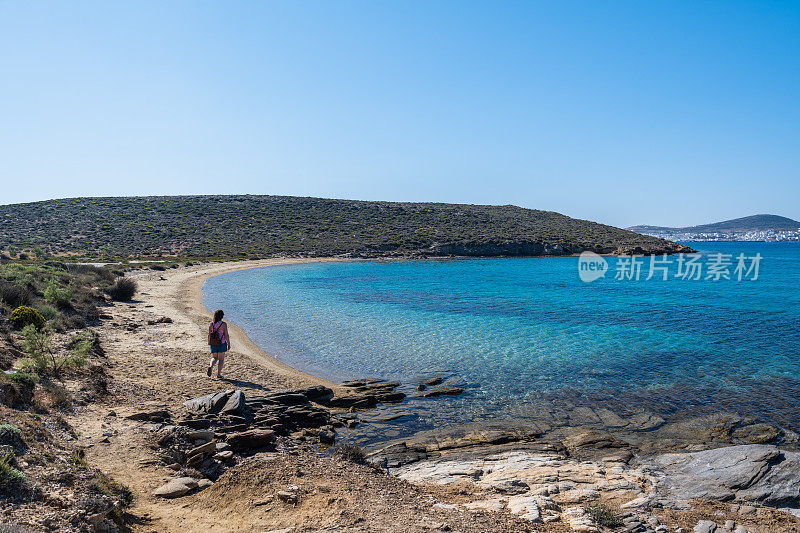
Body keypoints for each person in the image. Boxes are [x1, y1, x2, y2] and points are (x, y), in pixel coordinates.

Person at [207, 309, 230, 378]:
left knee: (214, 357)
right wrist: (229, 343)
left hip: (213, 343)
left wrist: (209, 342)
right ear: (222, 316)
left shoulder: (211, 324)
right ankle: (218, 374)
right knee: (221, 359)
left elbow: (209, 334)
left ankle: (211, 366)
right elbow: (226, 335)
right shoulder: (223, 324)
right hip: (221, 343)